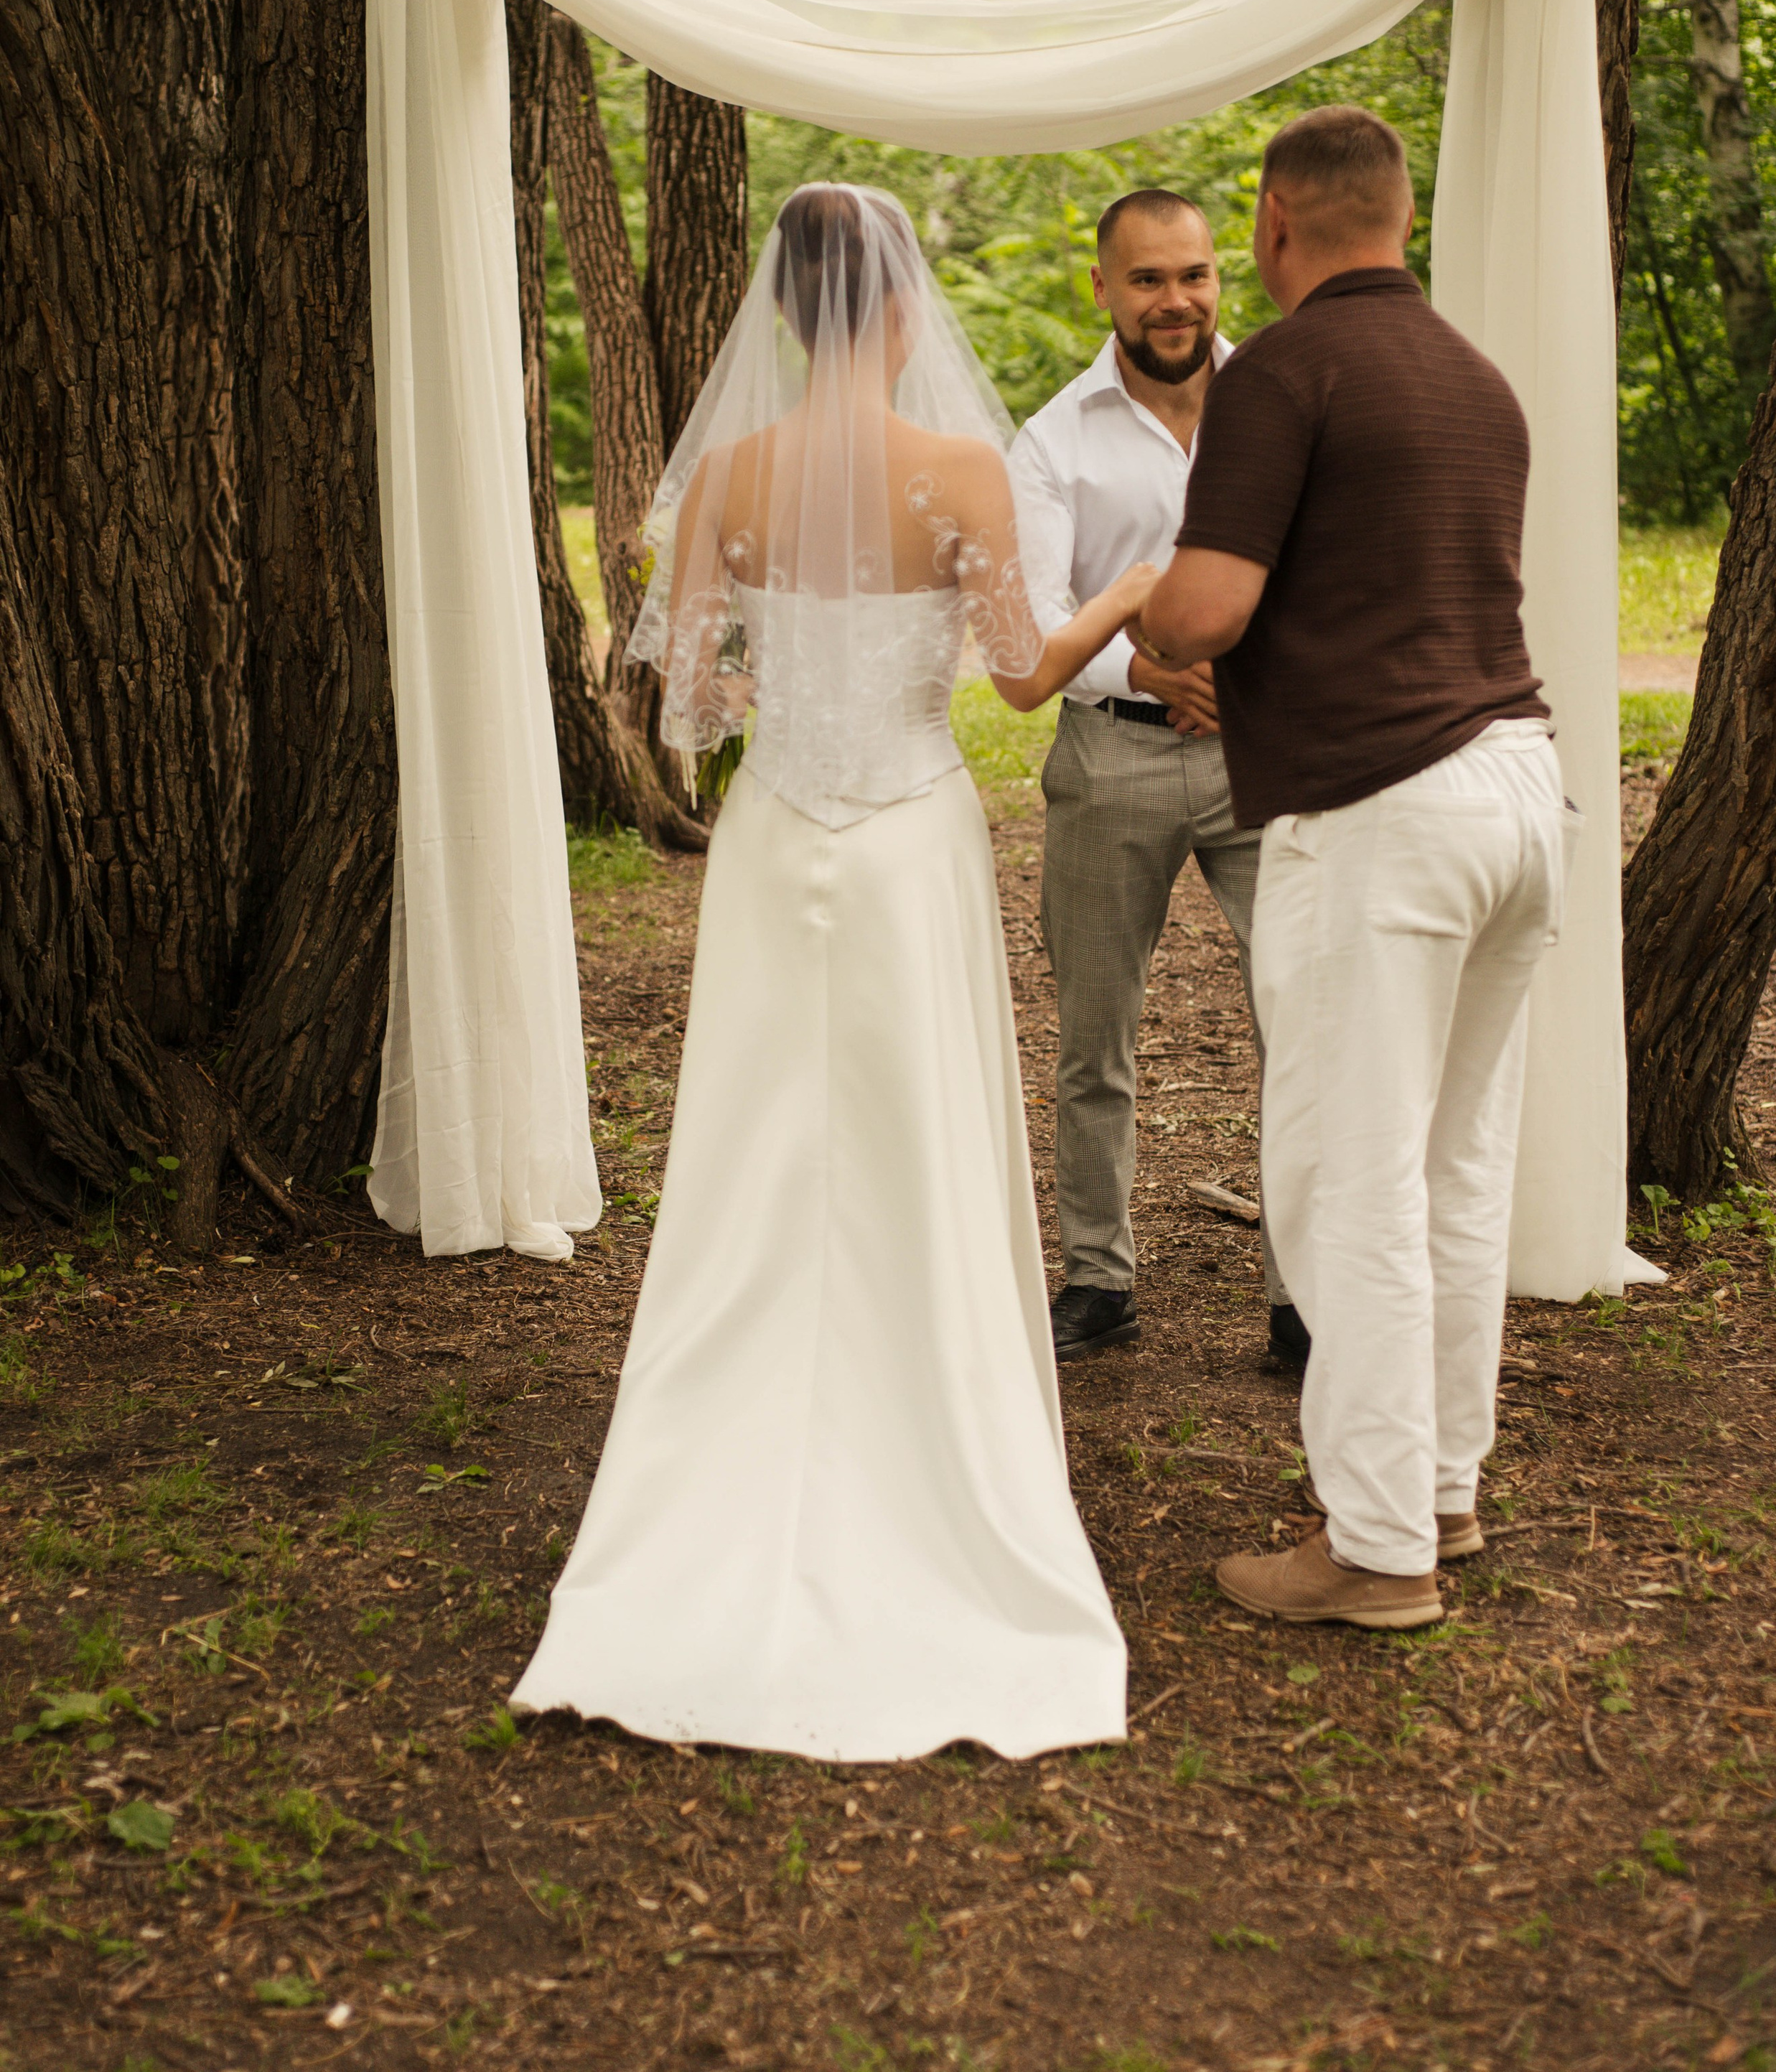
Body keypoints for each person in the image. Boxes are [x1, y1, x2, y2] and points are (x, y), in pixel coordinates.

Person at [512, 185, 1158, 1760]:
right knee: (912, 1137)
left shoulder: (725, 475)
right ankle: (927, 1440)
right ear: (892, 306)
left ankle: (720, 1456)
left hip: (777, 834)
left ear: (787, 312)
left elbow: (692, 707)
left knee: (756, 1145)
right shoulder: (956, 473)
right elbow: (1014, 677)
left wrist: (789, 688)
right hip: (904, 838)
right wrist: (1127, 597)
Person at [1132, 107, 1572, 1631]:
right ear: (1398, 215)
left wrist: (1156, 625)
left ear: (1271, 226)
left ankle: (1370, 1543)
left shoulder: (1286, 372)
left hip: (1381, 811)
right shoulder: (1475, 377)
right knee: (1455, 1166)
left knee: (1344, 1175)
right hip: (1521, 785)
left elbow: (1204, 608)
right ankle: (1438, 1488)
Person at [1009, 189, 1304, 1368]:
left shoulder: (1282, 401)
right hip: (1113, 752)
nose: (1173, 299)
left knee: (1304, 1017)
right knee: (1096, 1033)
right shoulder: (1050, 441)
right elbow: (1032, 620)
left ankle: (1303, 1293)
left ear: (1218, 277)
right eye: (1146, 278)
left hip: (1264, 754)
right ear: (1102, 288)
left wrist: (1243, 676)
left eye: (1192, 274)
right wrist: (1150, 665)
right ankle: (1097, 1279)